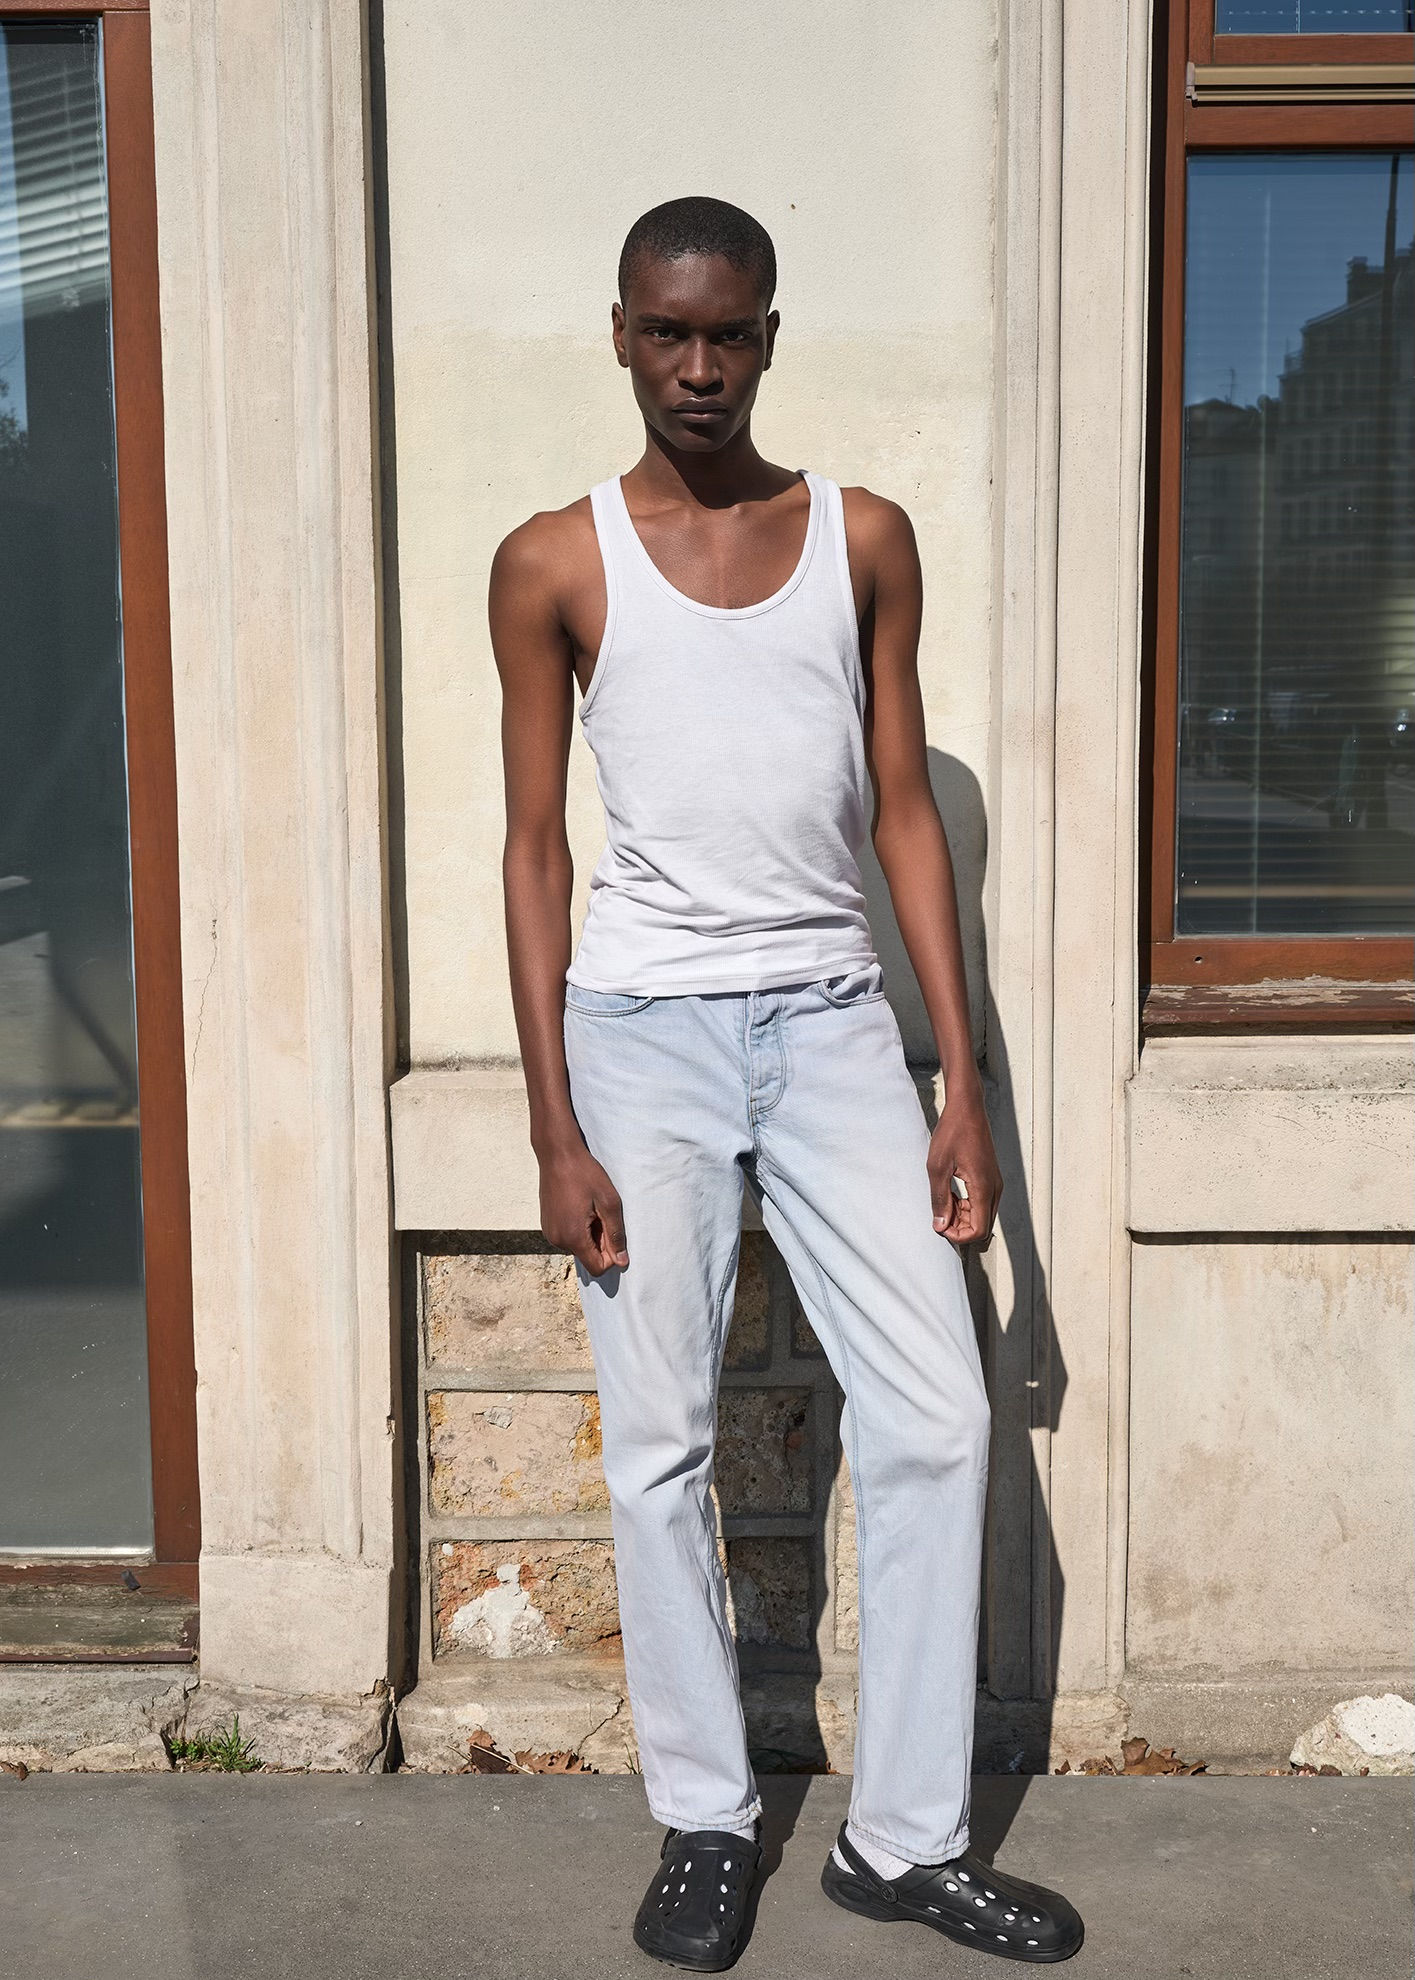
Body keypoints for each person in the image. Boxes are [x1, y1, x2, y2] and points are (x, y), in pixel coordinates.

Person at [490, 194, 1082, 1971]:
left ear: (768, 335)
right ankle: (705, 1818)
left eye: (727, 333)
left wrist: (954, 1083)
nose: (698, 366)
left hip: (831, 1025)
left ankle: (902, 1842)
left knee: (941, 1416)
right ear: (620, 334)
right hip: (641, 1036)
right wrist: (553, 1124)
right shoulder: (554, 562)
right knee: (659, 1446)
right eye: (667, 333)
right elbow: (534, 849)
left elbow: (906, 817)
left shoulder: (862, 538)